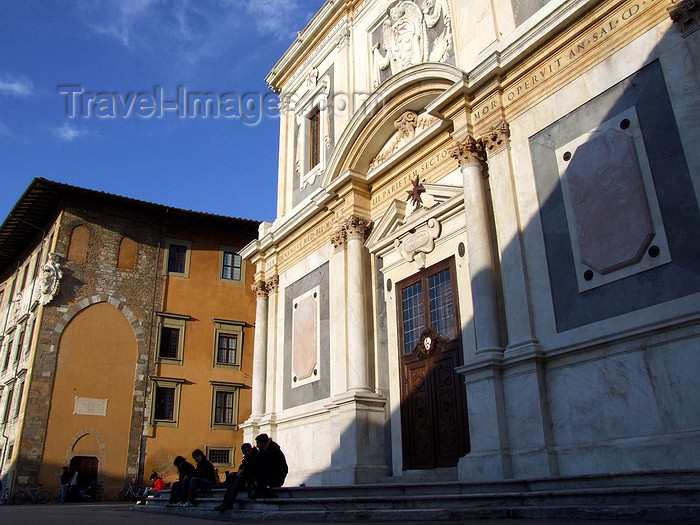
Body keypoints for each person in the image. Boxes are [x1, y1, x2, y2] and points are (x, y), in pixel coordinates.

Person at [214, 442, 258, 512]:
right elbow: (241, 471)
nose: (247, 452)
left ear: (251, 450)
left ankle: (228, 503)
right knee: (232, 481)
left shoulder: (256, 458)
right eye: (245, 451)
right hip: (246, 479)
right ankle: (225, 502)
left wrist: (240, 474)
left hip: (253, 480)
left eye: (248, 450)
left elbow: (251, 471)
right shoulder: (245, 461)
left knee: (237, 480)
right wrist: (234, 474)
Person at [250, 433, 288, 498]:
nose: (257, 446)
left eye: (258, 443)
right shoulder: (266, 450)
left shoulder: (272, 450)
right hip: (273, 476)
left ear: (263, 443)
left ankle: (262, 492)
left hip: (277, 479)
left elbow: (261, 461)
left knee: (260, 468)